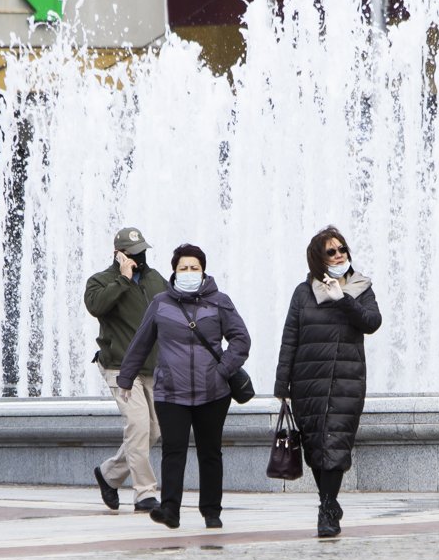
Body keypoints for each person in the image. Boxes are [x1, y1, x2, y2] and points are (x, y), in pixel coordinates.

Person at [117, 244, 250, 530]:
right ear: (174, 271)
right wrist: (125, 378)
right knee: (173, 451)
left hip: (213, 392)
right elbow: (141, 342)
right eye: (183, 268)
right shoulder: (161, 303)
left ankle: (211, 511)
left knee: (210, 452)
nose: (189, 273)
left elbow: (241, 340)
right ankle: (170, 510)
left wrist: (222, 370)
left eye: (194, 268)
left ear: (203, 271)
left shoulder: (219, 302)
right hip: (171, 392)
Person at [275, 227, 382, 538]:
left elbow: (372, 322)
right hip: (308, 382)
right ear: (318, 260)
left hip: (346, 381)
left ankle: (327, 510)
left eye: (342, 250)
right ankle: (329, 504)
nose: (339, 256)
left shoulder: (361, 287)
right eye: (331, 252)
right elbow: (289, 339)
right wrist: (282, 386)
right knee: (315, 449)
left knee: (335, 444)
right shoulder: (303, 292)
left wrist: (344, 301)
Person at [84, 226, 168, 513]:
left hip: (152, 368)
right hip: (120, 367)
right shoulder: (101, 281)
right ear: (118, 254)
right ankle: (145, 493)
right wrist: (123, 279)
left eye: (141, 251)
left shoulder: (157, 279)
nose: (138, 257)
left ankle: (109, 474)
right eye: (132, 253)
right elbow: (96, 307)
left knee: (154, 431)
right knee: (138, 425)